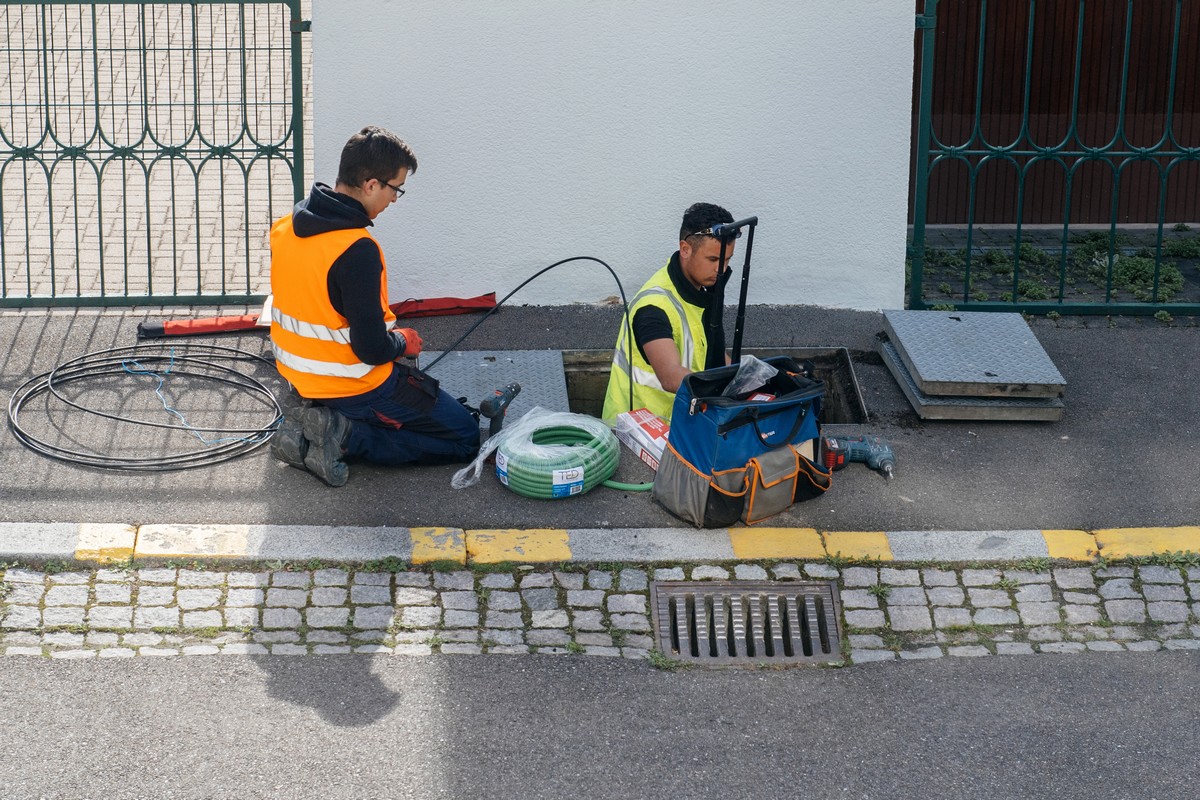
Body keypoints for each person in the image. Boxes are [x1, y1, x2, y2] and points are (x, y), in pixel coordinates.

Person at [268, 126, 479, 486]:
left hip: (295, 376)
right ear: (370, 184)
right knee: (464, 436)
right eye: (395, 188)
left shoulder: (286, 227)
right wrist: (403, 341)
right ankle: (347, 436)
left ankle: (318, 424)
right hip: (352, 382)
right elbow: (371, 350)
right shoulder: (356, 250)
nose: (395, 199)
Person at [601, 202, 737, 423]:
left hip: (680, 426)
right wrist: (723, 392)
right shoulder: (653, 307)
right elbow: (670, 376)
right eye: (712, 259)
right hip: (636, 433)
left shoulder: (698, 295)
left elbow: (711, 355)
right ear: (685, 249)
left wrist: (750, 380)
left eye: (727, 260)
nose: (720, 269)